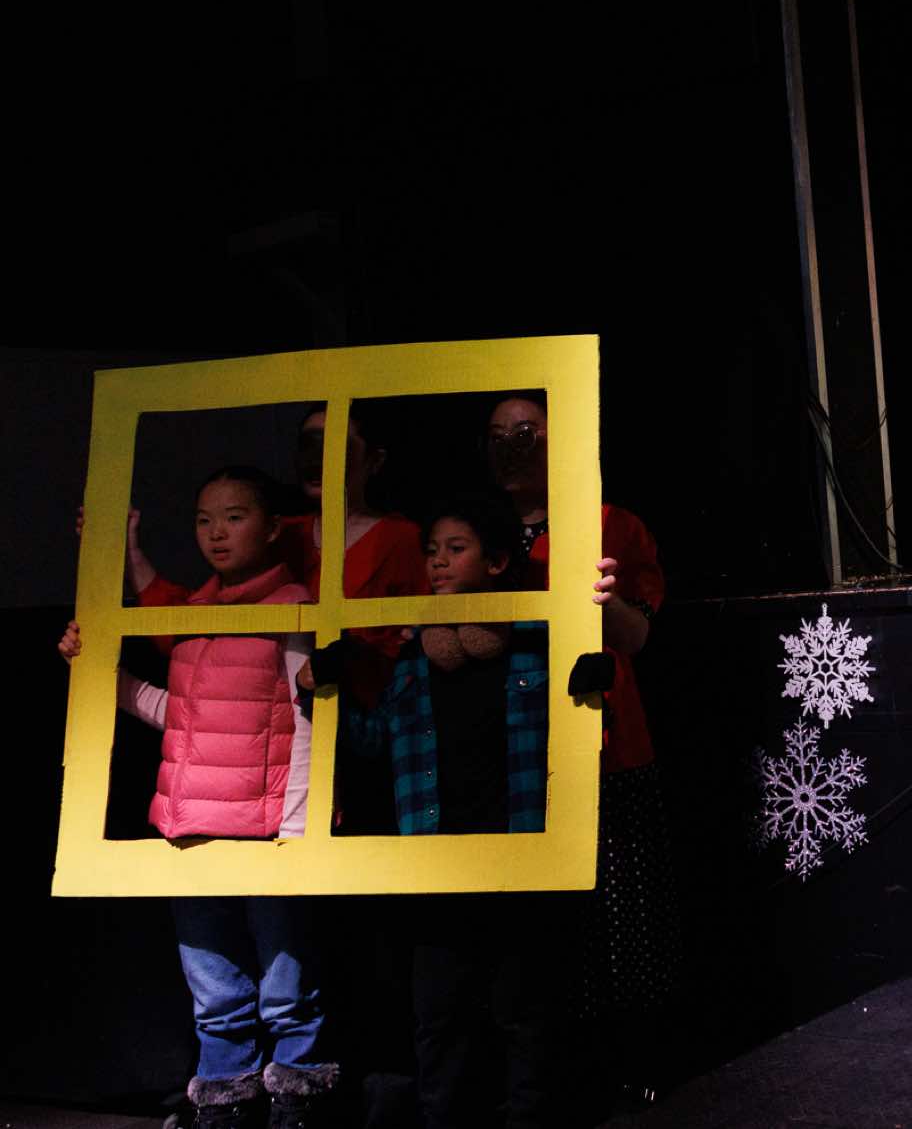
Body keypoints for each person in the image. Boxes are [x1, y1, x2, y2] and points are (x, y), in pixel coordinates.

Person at [60, 467, 337, 1127]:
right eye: (204, 519)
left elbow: (306, 720)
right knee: (214, 987)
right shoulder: (193, 611)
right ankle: (225, 1099)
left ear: (271, 527)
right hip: (194, 825)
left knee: (286, 984)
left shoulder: (292, 604)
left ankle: (297, 1100)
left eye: (235, 517)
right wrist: (103, 675)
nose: (217, 532)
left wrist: (298, 823)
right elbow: (182, 714)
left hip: (267, 826)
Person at [330, 491, 561, 1126]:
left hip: (517, 851)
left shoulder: (533, 642)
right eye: (432, 550)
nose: (437, 562)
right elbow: (374, 740)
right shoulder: (414, 658)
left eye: (455, 549)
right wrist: (325, 691)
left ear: (495, 563)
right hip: (437, 861)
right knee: (439, 1010)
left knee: (521, 1006)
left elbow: (573, 735)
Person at [483, 391, 678, 1106]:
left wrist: (601, 600)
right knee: (532, 940)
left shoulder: (609, 522)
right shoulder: (478, 531)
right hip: (508, 755)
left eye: (526, 432)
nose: (511, 447)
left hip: (603, 746)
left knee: (621, 925)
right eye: (497, 435)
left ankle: (630, 1074)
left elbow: (637, 634)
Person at [127, 406, 429, 833]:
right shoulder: (282, 534)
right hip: (279, 743)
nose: (317, 457)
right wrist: (129, 554)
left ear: (374, 460)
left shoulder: (403, 540)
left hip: (366, 732)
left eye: (335, 444)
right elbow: (198, 631)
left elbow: (417, 641)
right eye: (308, 444)